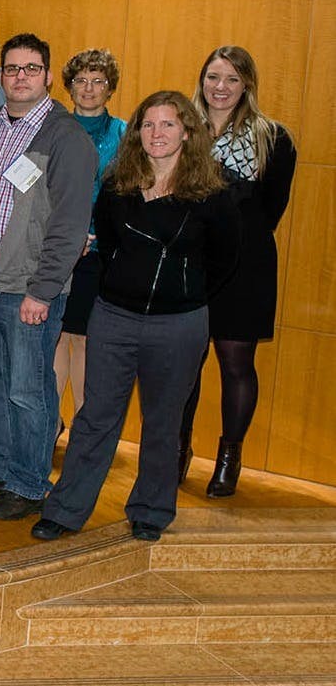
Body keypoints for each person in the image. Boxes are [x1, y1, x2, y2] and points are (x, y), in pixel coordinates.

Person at [35, 91, 240, 543]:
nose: (157, 134)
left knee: (164, 421)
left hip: (179, 325)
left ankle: (150, 510)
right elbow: (109, 248)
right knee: (95, 417)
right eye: (148, 125)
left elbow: (226, 260)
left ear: (187, 131)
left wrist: (185, 295)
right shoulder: (117, 184)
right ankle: (66, 509)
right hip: (114, 318)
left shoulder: (213, 193)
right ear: (137, 133)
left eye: (168, 125)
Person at [0, 34, 97, 522]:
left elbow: (71, 226)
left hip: (27, 290)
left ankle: (31, 483)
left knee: (27, 389)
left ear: (49, 76)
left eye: (31, 69)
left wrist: (44, 290)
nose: (20, 77)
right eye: (11, 69)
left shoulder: (66, 137)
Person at [182, 45, 297, 498]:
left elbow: (270, 211)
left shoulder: (274, 138)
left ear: (247, 83)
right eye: (213, 77)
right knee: (184, 364)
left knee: (235, 362)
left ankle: (228, 458)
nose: (221, 87)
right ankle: (175, 451)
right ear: (202, 80)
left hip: (246, 265)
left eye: (232, 78)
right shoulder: (181, 129)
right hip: (188, 263)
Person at [52, 49, 125, 440]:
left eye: (98, 81)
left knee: (83, 339)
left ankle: (83, 427)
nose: (89, 88)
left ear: (110, 88)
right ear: (70, 87)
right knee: (56, 336)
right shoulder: (55, 128)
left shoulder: (124, 134)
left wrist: (98, 235)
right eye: (81, 81)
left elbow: (130, 192)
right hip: (58, 248)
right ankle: (50, 423)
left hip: (100, 252)